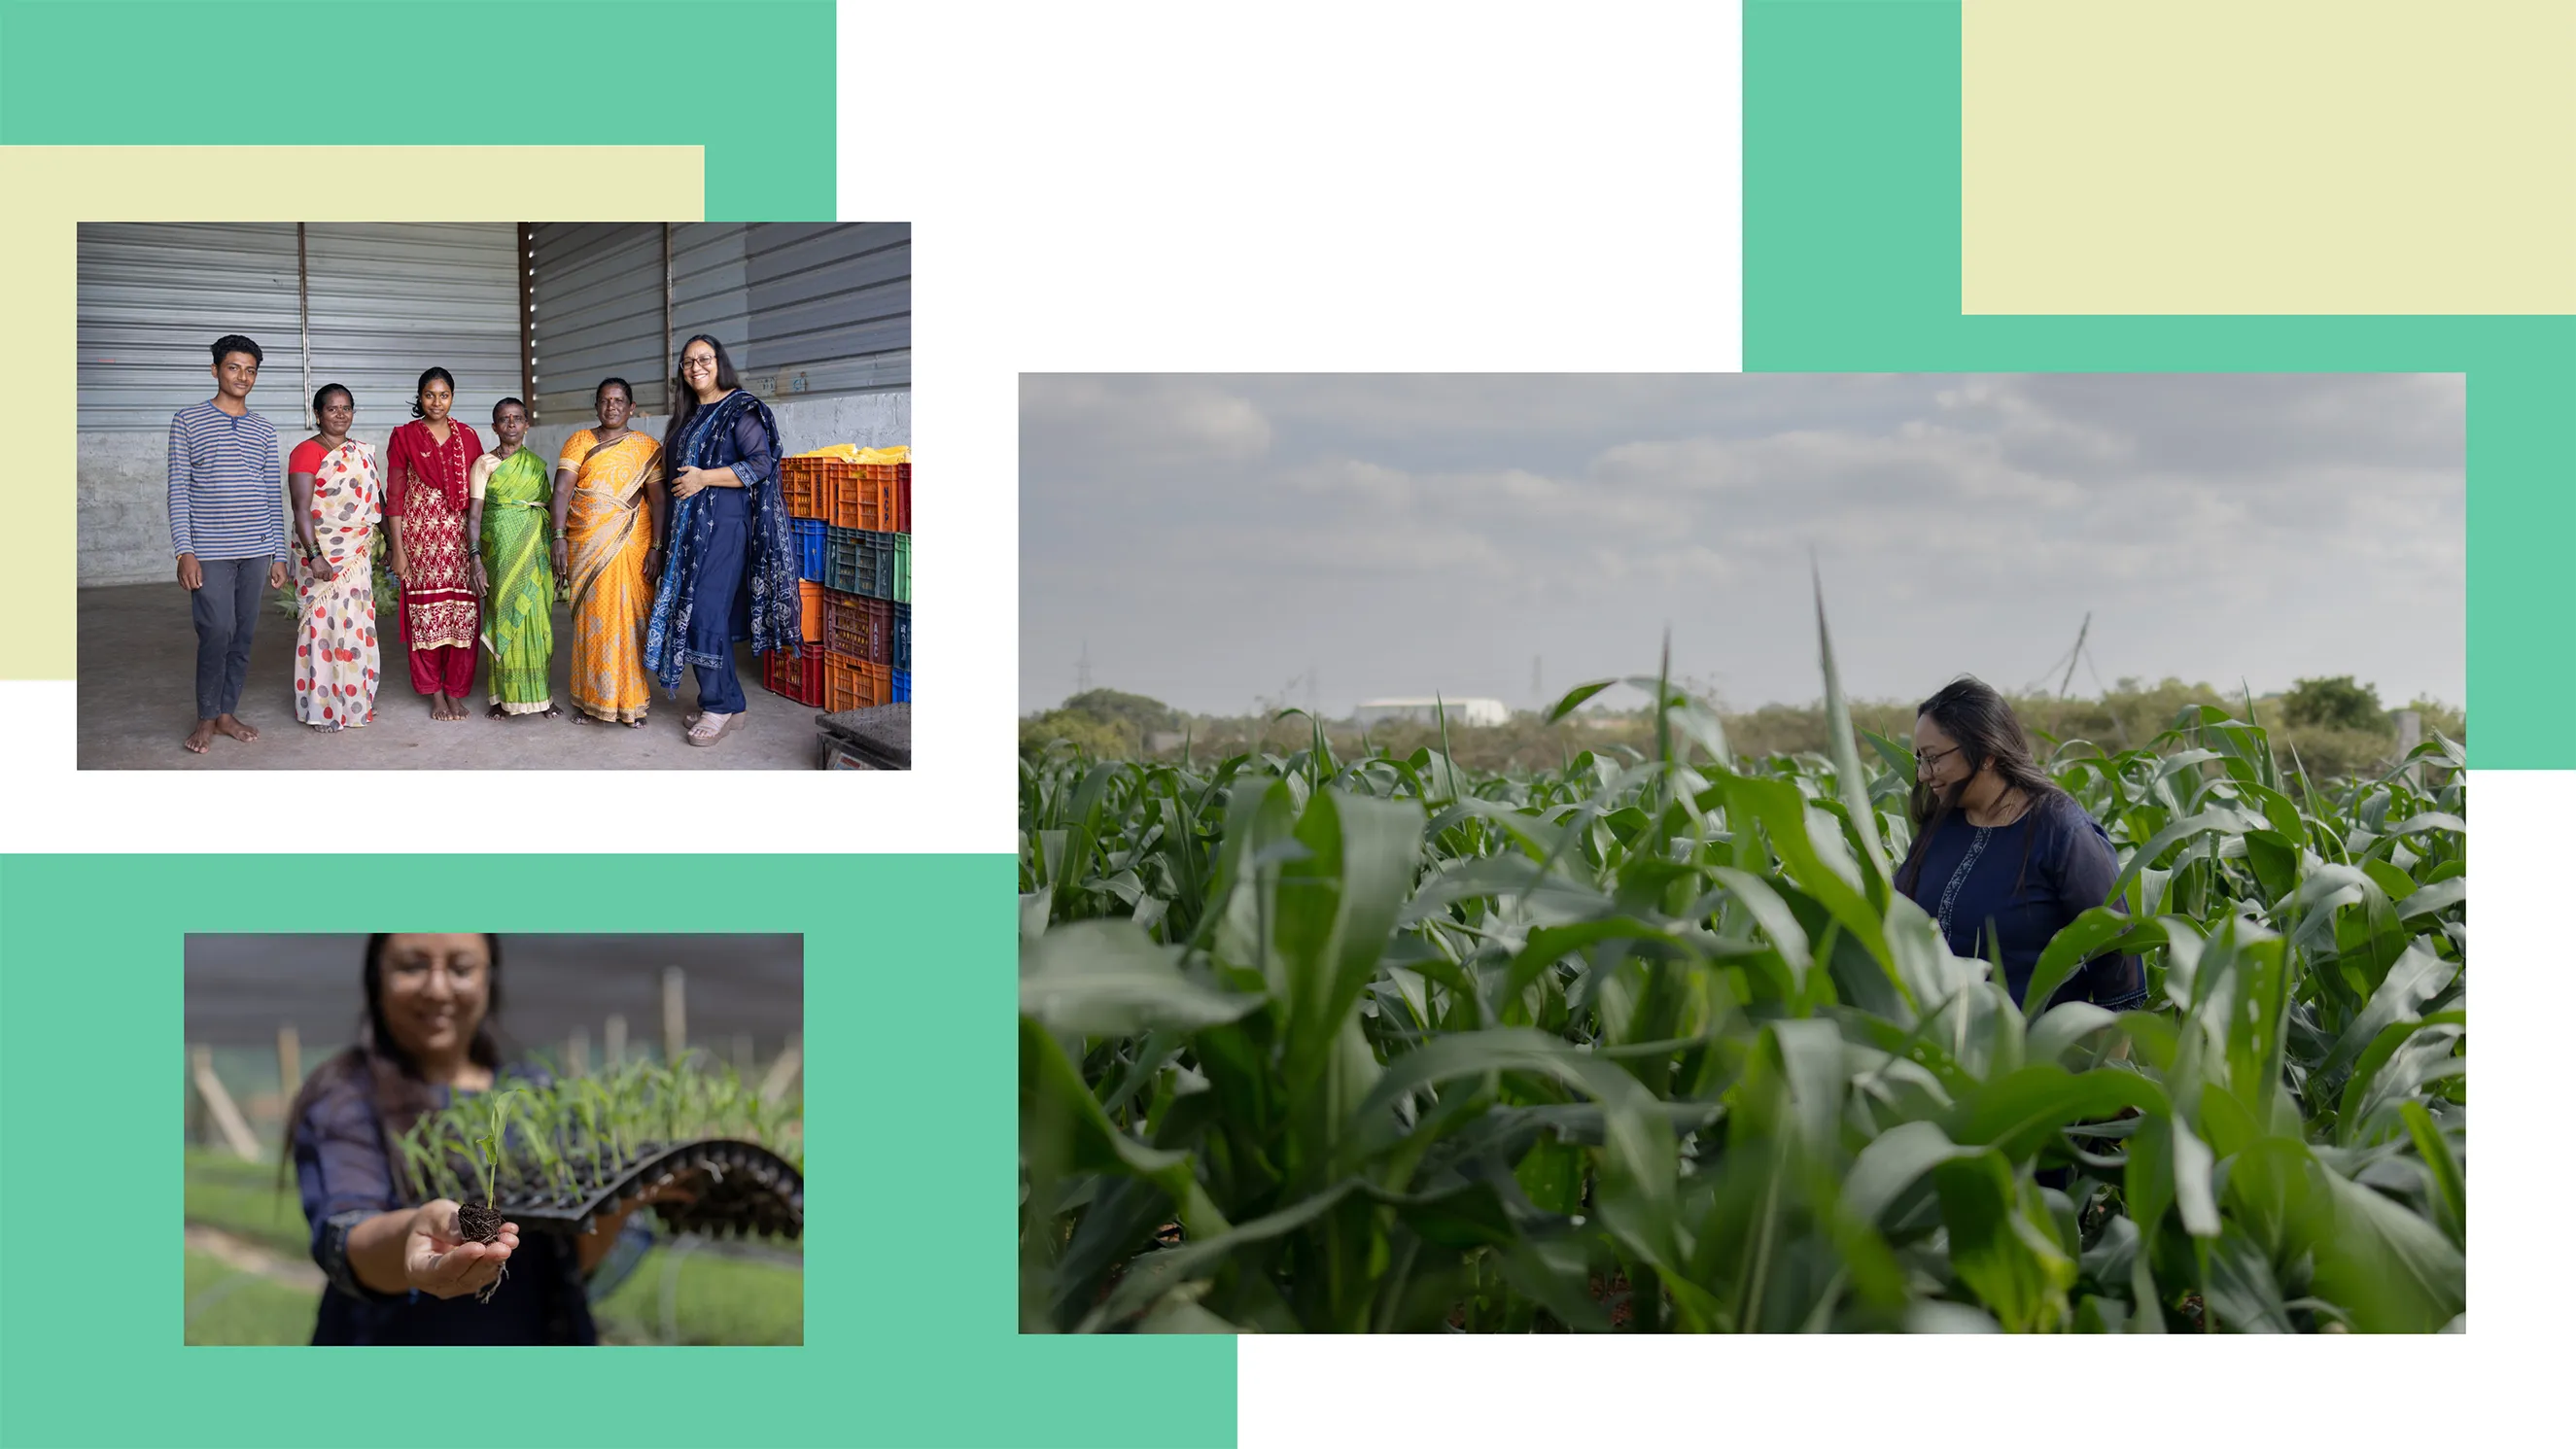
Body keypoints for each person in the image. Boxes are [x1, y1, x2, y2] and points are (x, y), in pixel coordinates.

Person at [279, 933, 666, 1345]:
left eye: (461, 968)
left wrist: (626, 1201)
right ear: (377, 977)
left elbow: (571, 1262)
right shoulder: (347, 1094)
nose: (437, 988)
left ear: (488, 978)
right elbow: (348, 1236)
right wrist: (414, 1229)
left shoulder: (534, 1091)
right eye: (412, 966)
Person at [1895, 676, 2149, 1014]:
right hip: (1938, 1046)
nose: (1924, 774)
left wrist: (2111, 1060)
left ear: (1985, 753)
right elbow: (1897, 915)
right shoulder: (1940, 826)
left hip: (2032, 1053)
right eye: (1920, 760)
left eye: (1933, 757)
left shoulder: (2061, 831)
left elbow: (2117, 962)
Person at [643, 335, 802, 747]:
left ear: (719, 362)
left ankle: (719, 707)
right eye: (687, 361)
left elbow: (762, 463)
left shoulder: (740, 408)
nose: (696, 367)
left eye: (704, 359)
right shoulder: (690, 415)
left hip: (725, 528)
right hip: (688, 533)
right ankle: (729, 700)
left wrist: (704, 478)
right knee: (690, 611)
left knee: (705, 613)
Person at [168, 334, 290, 754]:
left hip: (256, 550)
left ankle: (225, 713)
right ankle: (205, 716)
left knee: (243, 633)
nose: (242, 376)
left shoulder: (263, 429)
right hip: (210, 551)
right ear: (216, 369)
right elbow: (178, 489)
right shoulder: (188, 421)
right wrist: (185, 551)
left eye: (250, 369)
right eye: (234, 367)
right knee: (215, 631)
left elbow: (272, 495)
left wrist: (279, 553)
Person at [552, 378, 665, 728]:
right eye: (604, 400)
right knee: (592, 624)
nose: (611, 406)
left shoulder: (647, 446)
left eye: (618, 401)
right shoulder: (580, 442)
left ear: (631, 407)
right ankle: (591, 700)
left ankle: (630, 702)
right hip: (587, 544)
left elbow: (659, 499)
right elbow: (561, 492)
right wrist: (558, 536)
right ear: (596, 406)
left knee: (630, 624)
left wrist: (658, 547)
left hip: (633, 543)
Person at [383, 368, 483, 721]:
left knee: (462, 617)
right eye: (429, 394)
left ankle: (456, 690)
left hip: (459, 544)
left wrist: (479, 550)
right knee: (426, 619)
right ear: (419, 397)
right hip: (420, 543)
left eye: (443, 395)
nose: (436, 402)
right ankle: (435, 693)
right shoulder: (405, 436)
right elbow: (394, 497)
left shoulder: (469, 437)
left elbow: (479, 496)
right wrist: (398, 549)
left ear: (452, 397)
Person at [285, 384, 384, 731]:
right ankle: (324, 707)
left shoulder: (360, 452)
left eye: (346, 408)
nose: (340, 415)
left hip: (356, 555)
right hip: (322, 555)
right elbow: (300, 508)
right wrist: (316, 557)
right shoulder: (306, 452)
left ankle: (356, 699)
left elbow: (377, 501)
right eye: (332, 409)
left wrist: (387, 542)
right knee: (323, 630)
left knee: (356, 625)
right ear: (317, 414)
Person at [466, 398, 559, 719]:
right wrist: (475, 558)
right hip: (500, 552)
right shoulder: (484, 465)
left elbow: (546, 510)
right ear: (494, 427)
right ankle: (501, 699)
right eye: (504, 419)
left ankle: (542, 696)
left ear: (526, 424)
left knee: (538, 620)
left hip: (535, 551)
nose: (511, 424)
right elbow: (475, 516)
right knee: (503, 614)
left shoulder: (535, 465)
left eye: (517, 418)